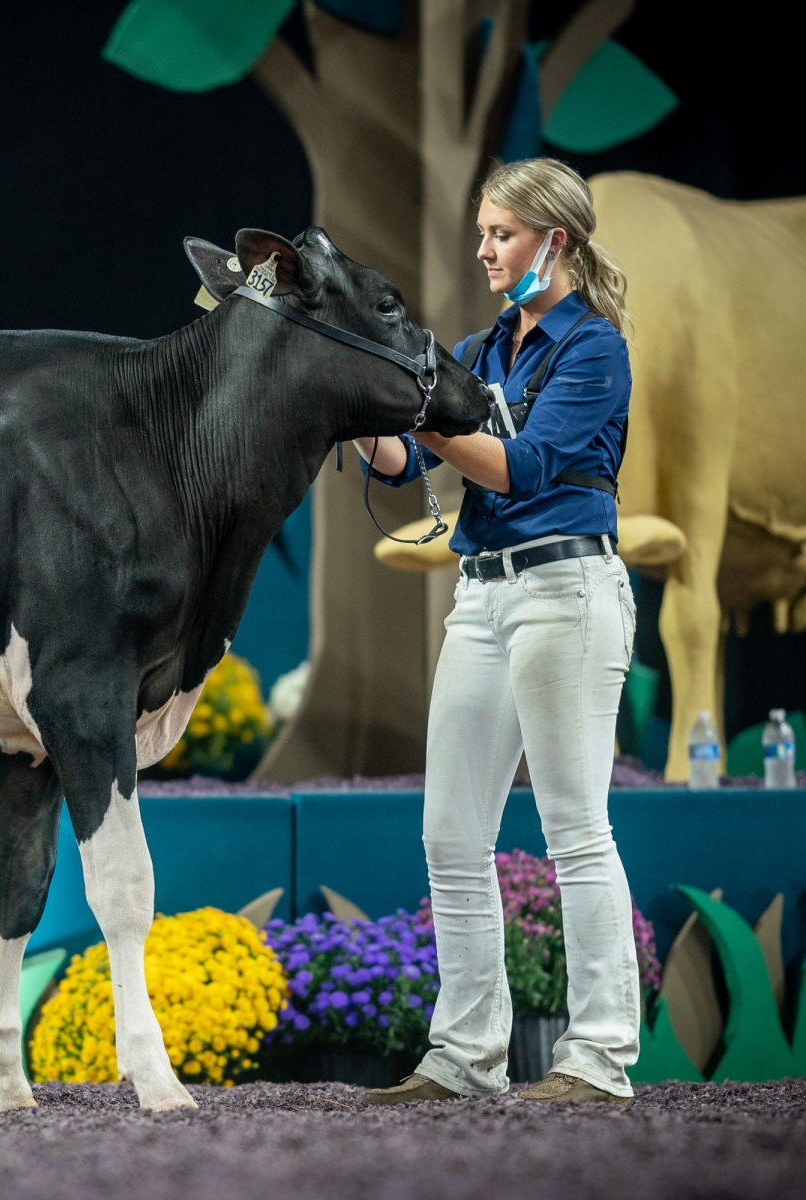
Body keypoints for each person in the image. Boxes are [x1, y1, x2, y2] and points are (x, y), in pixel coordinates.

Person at [359, 158, 640, 1106]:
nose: (483, 250)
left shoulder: (594, 348)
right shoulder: (479, 349)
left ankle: (599, 1058)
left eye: (501, 234)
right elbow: (400, 462)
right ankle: (465, 1056)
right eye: (481, 233)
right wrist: (358, 405)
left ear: (554, 241)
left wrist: (419, 418)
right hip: (480, 599)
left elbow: (521, 467)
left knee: (576, 832)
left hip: (567, 591)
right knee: (450, 837)